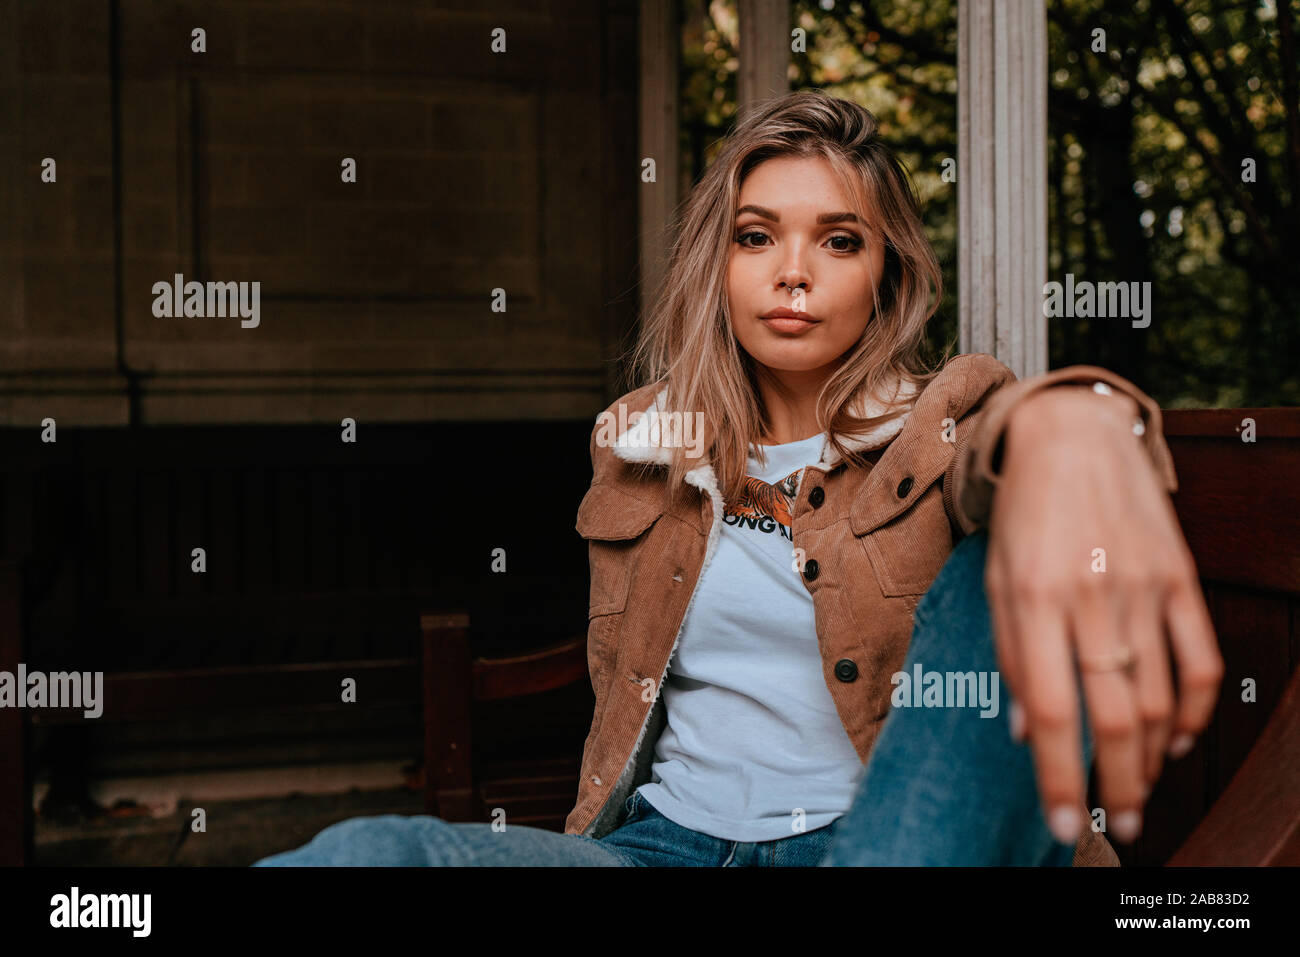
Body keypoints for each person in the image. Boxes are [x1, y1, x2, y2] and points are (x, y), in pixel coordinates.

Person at [255, 90, 1222, 867]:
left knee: (1004, 560)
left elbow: (1000, 436)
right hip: (661, 847)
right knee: (370, 849)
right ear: (718, 262)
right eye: (756, 236)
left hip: (881, 840)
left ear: (885, 272)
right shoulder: (643, 438)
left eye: (839, 240)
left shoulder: (939, 424)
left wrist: (1071, 427)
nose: (791, 273)